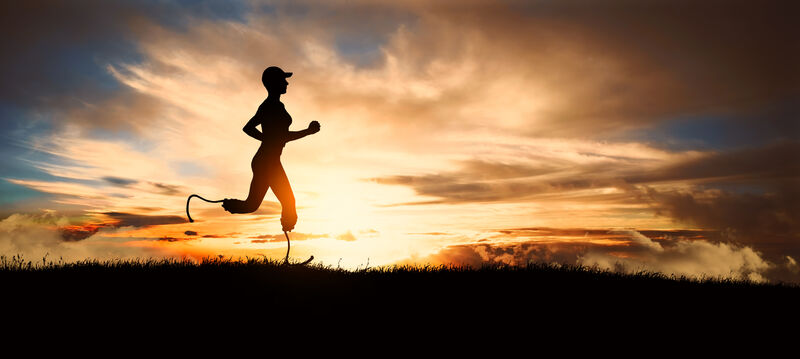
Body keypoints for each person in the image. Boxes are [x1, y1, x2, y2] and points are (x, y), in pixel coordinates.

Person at [221, 66, 320, 232]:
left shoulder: (276, 105)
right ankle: (230, 204)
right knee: (284, 203)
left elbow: (276, 135)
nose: (286, 83)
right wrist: (307, 132)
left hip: (270, 161)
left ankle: (231, 204)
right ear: (274, 83)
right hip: (266, 162)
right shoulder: (270, 106)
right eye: (283, 80)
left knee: (257, 205)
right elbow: (250, 128)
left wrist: (270, 140)